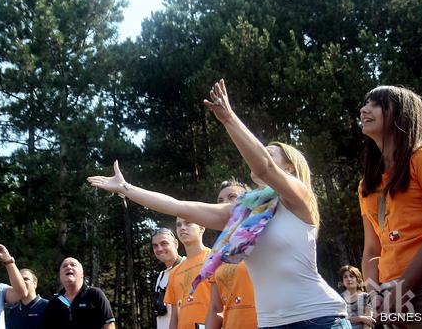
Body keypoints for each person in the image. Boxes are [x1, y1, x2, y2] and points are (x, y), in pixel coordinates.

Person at [88, 78, 349, 329]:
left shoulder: (299, 198)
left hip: (318, 318)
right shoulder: (245, 213)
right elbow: (178, 206)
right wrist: (125, 188)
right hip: (270, 324)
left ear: (290, 168)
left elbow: (265, 166)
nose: (258, 157)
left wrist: (228, 119)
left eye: (269, 152)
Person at [358, 85, 422, 326]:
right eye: (365, 103)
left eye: (376, 104)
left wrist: (401, 291)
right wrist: (374, 294)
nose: (364, 109)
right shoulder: (366, 185)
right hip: (389, 296)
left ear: (401, 113)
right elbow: (371, 250)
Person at [205, 180, 257, 329]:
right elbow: (215, 307)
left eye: (232, 197)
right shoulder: (218, 252)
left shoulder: (265, 235)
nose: (224, 204)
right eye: (220, 201)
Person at [162, 218, 212, 329]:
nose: (182, 228)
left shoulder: (215, 259)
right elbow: (174, 317)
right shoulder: (174, 272)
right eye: (178, 225)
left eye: (188, 223)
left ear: (202, 227)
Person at [43, 257, 115, 329]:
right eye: (64, 266)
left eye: (73, 265)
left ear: (82, 274)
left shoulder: (95, 294)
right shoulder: (54, 302)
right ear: (60, 276)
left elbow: (109, 324)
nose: (68, 267)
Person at [151, 227, 184, 329]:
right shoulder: (161, 277)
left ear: (176, 244)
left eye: (164, 243)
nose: (159, 249)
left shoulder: (188, 268)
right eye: (155, 246)